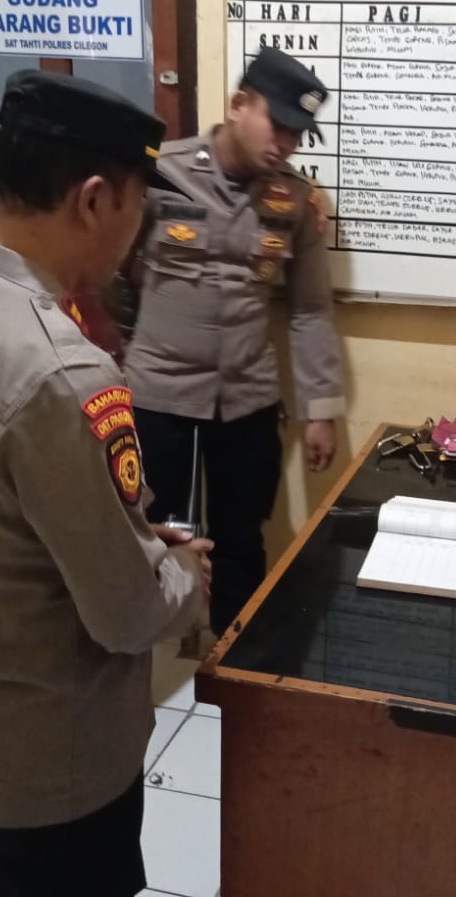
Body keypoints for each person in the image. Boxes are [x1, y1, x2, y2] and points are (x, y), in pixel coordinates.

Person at [0, 70, 210, 897]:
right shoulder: (62, 369)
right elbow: (126, 613)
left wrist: (131, 540)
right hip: (63, 746)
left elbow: (2, 514)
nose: (138, 235)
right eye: (140, 208)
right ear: (96, 199)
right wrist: (185, 574)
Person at [113, 44, 346, 634]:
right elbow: (112, 275)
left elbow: (310, 308)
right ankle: (160, 660)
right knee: (156, 532)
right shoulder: (160, 172)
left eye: (298, 134)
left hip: (247, 398)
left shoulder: (296, 199)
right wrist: (133, 352)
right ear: (239, 104)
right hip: (157, 395)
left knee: (242, 537)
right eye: (279, 125)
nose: (287, 144)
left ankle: (236, 659)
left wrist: (320, 410)